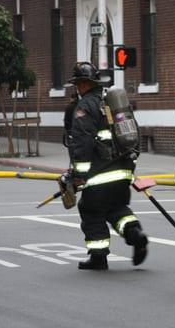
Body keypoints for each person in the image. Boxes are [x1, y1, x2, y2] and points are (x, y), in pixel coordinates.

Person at [65, 62, 148, 270]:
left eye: (78, 84)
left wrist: (78, 175)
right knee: (117, 208)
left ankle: (98, 257)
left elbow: (82, 143)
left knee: (91, 210)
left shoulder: (85, 107)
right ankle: (135, 233)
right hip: (123, 170)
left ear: (82, 84)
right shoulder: (114, 103)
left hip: (100, 173)